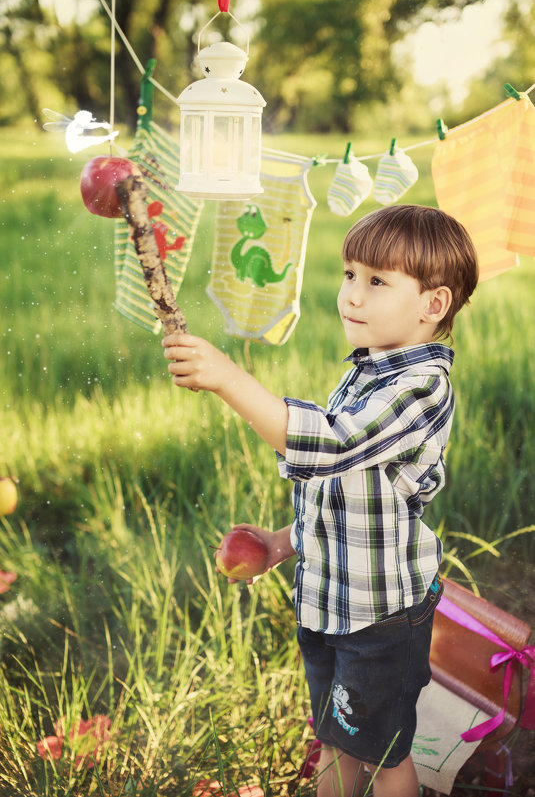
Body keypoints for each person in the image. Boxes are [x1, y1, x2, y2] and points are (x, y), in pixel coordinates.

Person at [162, 204, 479, 797]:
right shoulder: (367, 371)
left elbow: (332, 445)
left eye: (377, 281)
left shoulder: (421, 387)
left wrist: (231, 379)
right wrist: (283, 542)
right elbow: (343, 492)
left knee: (384, 753)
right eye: (349, 274)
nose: (351, 296)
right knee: (334, 738)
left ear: (433, 305)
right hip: (330, 602)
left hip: (381, 615)